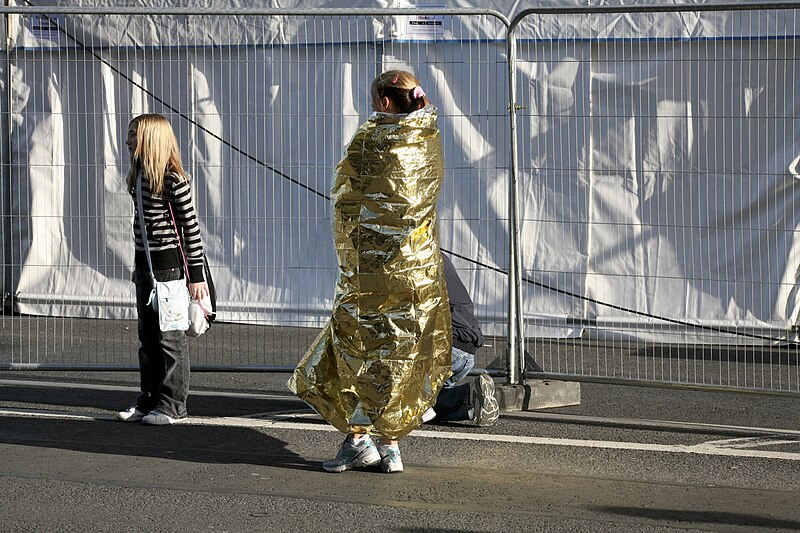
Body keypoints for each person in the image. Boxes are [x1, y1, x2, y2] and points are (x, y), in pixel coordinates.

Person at [289, 70, 452, 474]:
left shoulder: (372, 139)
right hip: (417, 271)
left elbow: (345, 202)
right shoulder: (427, 141)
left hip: (370, 275)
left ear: (383, 102)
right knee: (400, 353)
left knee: (355, 352)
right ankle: (391, 446)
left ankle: (358, 440)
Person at [117, 113, 209, 426]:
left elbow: (190, 228)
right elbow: (140, 227)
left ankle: (173, 406)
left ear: (149, 139)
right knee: (147, 338)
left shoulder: (172, 178)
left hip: (169, 268)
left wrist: (196, 277)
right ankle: (149, 399)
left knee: (170, 338)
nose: (128, 140)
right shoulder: (139, 173)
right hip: (146, 267)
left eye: (133, 134)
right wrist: (137, 265)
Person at [422, 254, 500, 427]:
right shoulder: (437, 255)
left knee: (405, 402)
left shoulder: (413, 258)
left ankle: (419, 404)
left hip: (443, 346)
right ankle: (469, 397)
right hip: (467, 350)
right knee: (433, 401)